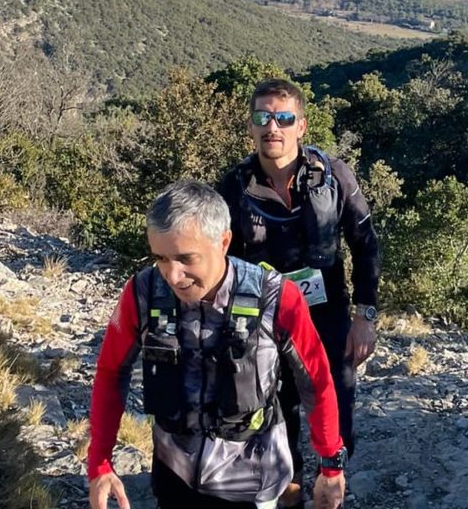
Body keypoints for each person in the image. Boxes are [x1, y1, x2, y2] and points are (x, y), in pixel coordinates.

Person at [87, 181, 348, 509]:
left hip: (255, 485)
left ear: (223, 242)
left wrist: (330, 465)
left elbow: (316, 381)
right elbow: (111, 371)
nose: (172, 274)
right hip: (174, 478)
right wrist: (99, 465)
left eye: (186, 258)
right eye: (161, 258)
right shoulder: (143, 292)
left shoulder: (276, 298)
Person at [216, 78, 380, 508]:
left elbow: (365, 245)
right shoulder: (232, 188)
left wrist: (365, 317)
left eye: (284, 117)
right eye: (263, 117)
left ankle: (332, 492)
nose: (273, 126)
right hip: (262, 321)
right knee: (276, 416)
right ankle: (289, 497)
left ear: (301, 125)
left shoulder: (334, 176)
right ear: (251, 127)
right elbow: (213, 259)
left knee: (337, 411)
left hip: (327, 316)